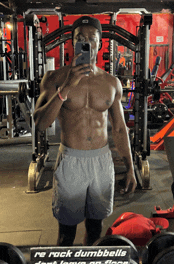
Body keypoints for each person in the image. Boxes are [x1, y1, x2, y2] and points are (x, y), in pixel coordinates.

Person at [33, 16, 137, 246]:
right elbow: (40, 123)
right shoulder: (55, 78)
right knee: (66, 234)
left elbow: (120, 129)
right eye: (81, 38)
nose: (87, 42)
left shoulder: (111, 83)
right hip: (72, 161)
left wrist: (130, 168)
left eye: (92, 38)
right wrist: (67, 87)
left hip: (101, 161)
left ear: (100, 44)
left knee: (95, 230)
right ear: (72, 42)